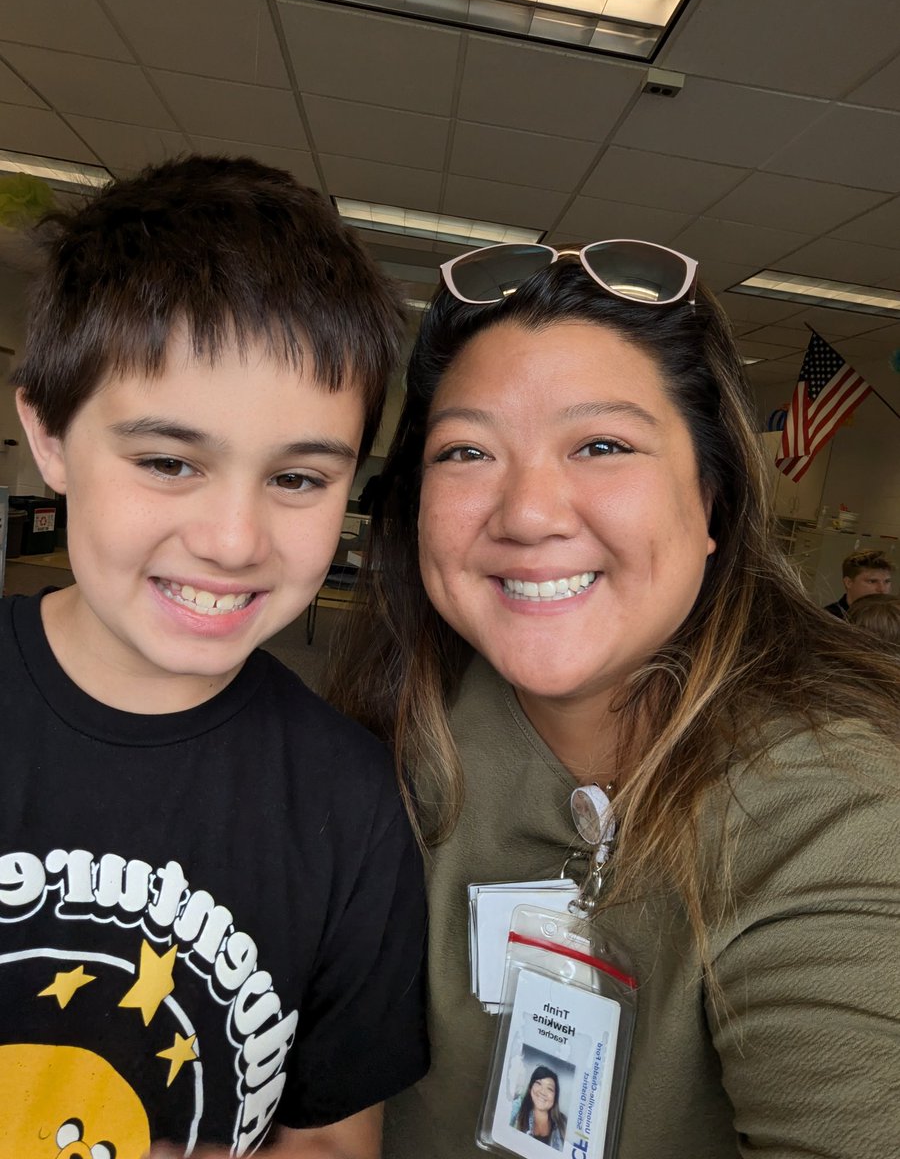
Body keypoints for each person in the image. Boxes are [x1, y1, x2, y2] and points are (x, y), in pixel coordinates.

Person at [327, 240, 900, 1159]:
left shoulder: (842, 800)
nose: (527, 512)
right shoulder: (373, 757)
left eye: (602, 445)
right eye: (467, 450)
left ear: (710, 499)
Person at [2, 155, 428, 1159]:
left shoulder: (355, 805)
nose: (234, 540)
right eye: (168, 462)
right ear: (50, 437)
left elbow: (329, 1139)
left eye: (298, 477)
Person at [823, 547, 893, 618]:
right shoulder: (828, 619)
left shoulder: (892, 618)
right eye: (872, 581)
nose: (882, 589)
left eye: (887, 581)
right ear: (848, 583)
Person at [510, 1065, 567, 1150]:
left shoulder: (563, 1123)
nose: (543, 1092)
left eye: (550, 1089)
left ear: (555, 1097)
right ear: (530, 1087)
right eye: (538, 1083)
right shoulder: (516, 1109)